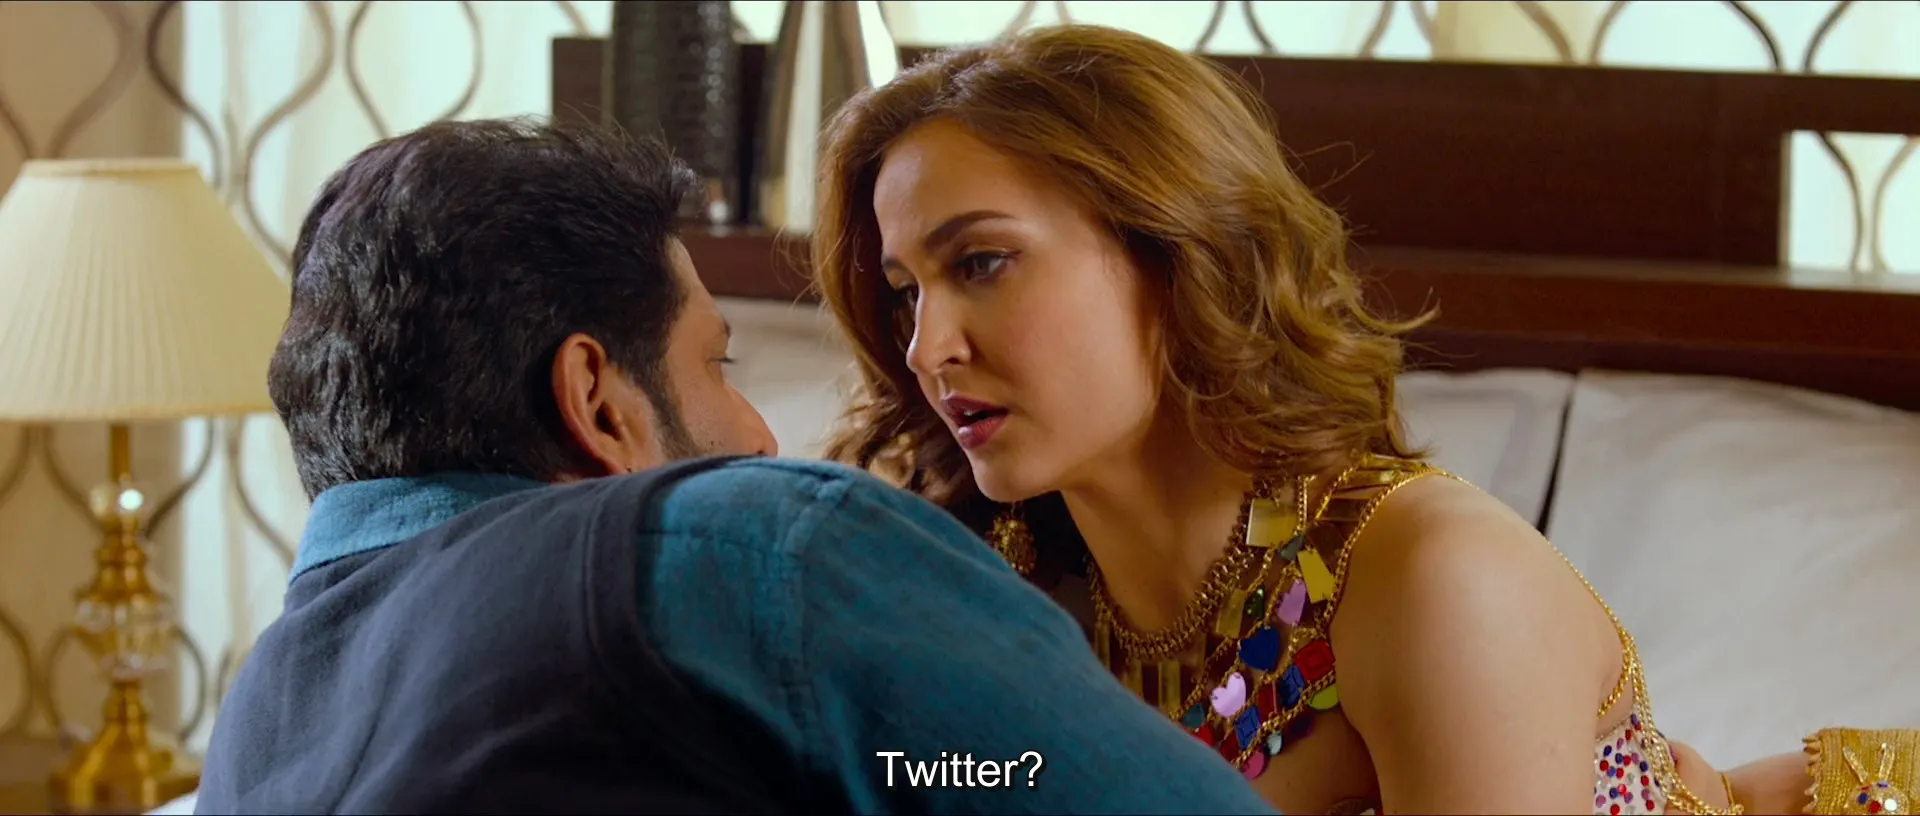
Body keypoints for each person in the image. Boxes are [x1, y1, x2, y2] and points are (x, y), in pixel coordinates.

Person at [810, 23, 1918, 816]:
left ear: (1177, 254)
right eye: (906, 291)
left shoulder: (1434, 580)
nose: (927, 347)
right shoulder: (1002, 590)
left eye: (983, 262)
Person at [192, 117, 1284, 816]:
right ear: (597, 402)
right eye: (717, 364)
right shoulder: (746, 545)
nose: (763, 435)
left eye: (983, 264)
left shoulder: (252, 730)